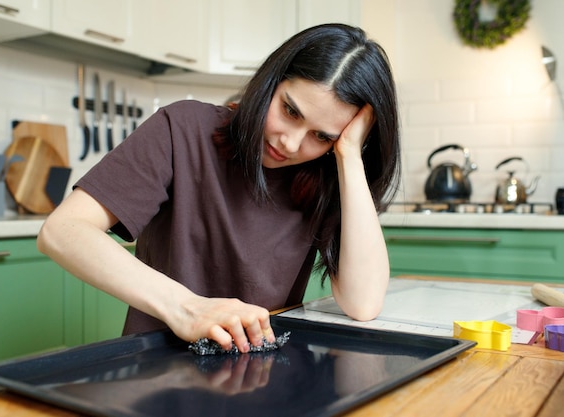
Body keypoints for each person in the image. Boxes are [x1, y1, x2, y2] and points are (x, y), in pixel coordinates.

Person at [37, 23, 401, 353]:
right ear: (272, 81)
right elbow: (62, 230)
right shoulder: (183, 128)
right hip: (156, 375)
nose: (291, 144)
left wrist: (349, 155)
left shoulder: (326, 174)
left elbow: (363, 302)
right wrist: (187, 307)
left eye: (321, 135)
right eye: (290, 111)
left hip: (263, 378)